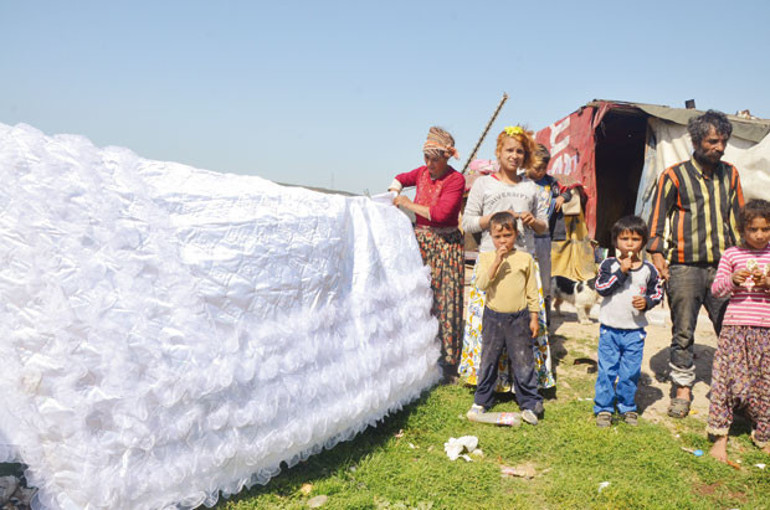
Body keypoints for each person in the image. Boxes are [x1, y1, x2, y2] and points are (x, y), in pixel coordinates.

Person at [646, 109, 745, 419]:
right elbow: (656, 220)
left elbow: (741, 220)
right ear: (697, 140)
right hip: (684, 267)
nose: (719, 147)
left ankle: (734, 389)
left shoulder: (731, 174)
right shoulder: (674, 175)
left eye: (723, 141)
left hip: (724, 267)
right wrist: (658, 256)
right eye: (713, 141)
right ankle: (682, 388)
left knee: (730, 329)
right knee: (683, 331)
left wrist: (748, 259)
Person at [460, 125, 554, 395]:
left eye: (520, 151)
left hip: (523, 261)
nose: (514, 156)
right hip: (491, 260)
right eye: (509, 150)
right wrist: (494, 217)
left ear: (526, 156)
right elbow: (468, 222)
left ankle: (523, 382)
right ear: (499, 152)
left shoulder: (532, 188)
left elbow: (544, 226)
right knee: (489, 323)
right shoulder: (483, 184)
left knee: (522, 323)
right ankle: (486, 380)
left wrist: (532, 221)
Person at [389, 126, 466, 382]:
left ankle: (448, 361)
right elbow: (400, 178)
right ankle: (420, 355)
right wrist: (394, 192)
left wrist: (408, 204)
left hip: (445, 246)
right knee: (420, 299)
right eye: (426, 158)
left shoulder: (456, 180)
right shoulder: (422, 173)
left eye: (435, 159)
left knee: (446, 300)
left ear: (446, 157)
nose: (430, 164)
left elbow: (441, 214)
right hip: (420, 245)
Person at [706, 199, 770, 462]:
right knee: (726, 381)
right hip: (735, 327)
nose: (759, 235)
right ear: (742, 230)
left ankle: (763, 435)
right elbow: (716, 289)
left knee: (765, 385)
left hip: (766, 330)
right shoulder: (732, 254)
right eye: (753, 229)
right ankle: (720, 437)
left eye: (765, 229)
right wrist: (732, 280)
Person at [467, 212, 542, 425]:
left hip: (519, 318)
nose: (503, 241)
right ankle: (482, 400)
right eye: (497, 237)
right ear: (491, 237)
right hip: (493, 317)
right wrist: (497, 261)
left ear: (516, 234)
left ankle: (530, 403)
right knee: (488, 359)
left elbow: (532, 291)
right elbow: (482, 285)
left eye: (507, 235)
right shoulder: (486, 258)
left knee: (523, 360)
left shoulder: (525, 258)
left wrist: (534, 317)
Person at [593, 215, 663, 427]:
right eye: (624, 239)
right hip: (610, 330)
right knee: (607, 370)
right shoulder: (608, 264)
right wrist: (621, 271)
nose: (630, 244)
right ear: (616, 242)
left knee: (630, 372)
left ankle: (627, 406)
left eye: (635, 239)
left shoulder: (648, 269)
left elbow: (657, 293)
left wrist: (647, 302)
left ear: (643, 242)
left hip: (634, 331)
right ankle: (604, 408)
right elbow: (602, 288)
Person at [524, 143, 573, 325]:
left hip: (544, 237)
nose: (540, 172)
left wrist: (561, 198)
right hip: (524, 238)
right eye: (537, 167)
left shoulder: (551, 183)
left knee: (544, 280)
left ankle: (545, 322)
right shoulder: (521, 183)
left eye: (544, 168)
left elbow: (569, 192)